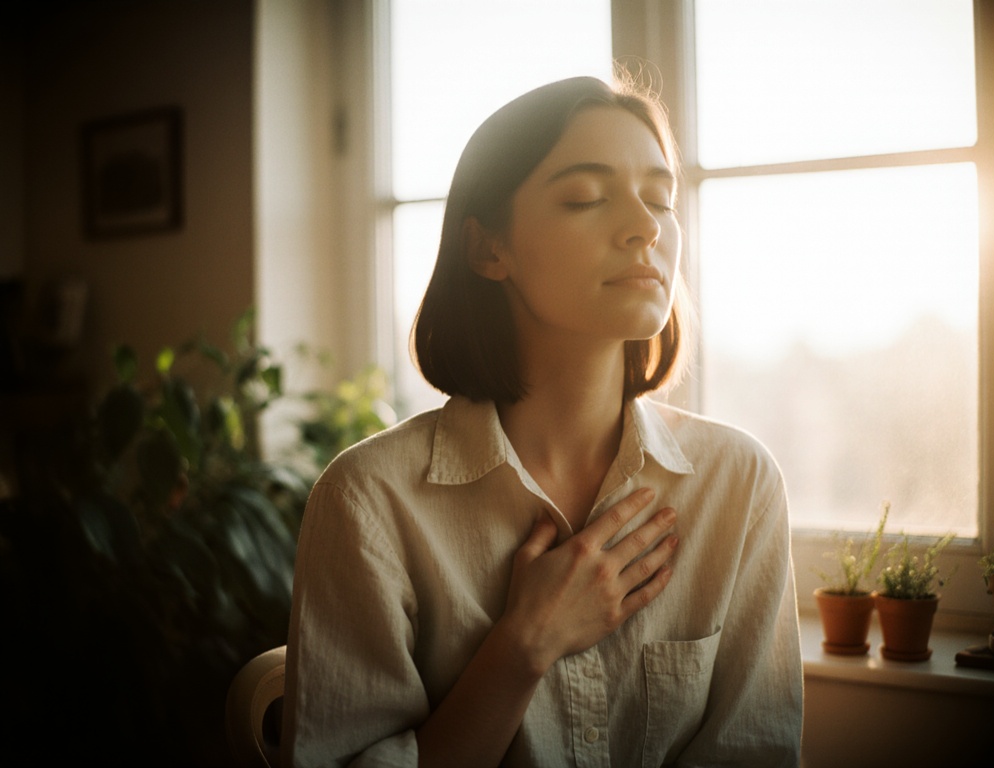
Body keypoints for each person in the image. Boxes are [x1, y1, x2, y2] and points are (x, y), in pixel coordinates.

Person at [281, 74, 803, 768]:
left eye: (660, 199)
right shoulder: (369, 501)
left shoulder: (737, 485)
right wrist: (522, 646)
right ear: (488, 249)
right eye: (586, 196)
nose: (645, 227)